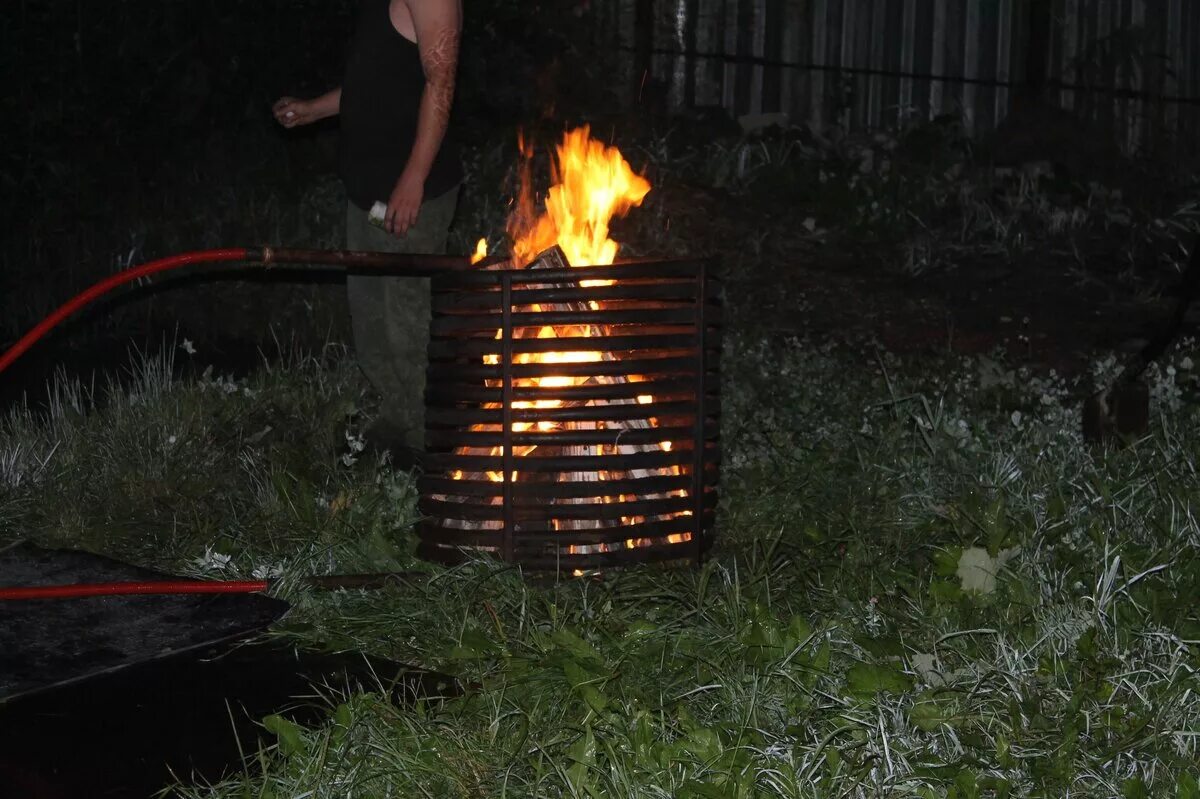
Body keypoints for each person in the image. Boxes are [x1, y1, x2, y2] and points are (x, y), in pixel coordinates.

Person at [272, 0, 464, 466]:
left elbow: (441, 82)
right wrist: (314, 110)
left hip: (408, 194)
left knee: (406, 319)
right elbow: (375, 83)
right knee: (370, 314)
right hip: (368, 194)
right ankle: (393, 417)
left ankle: (426, 447)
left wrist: (414, 179)